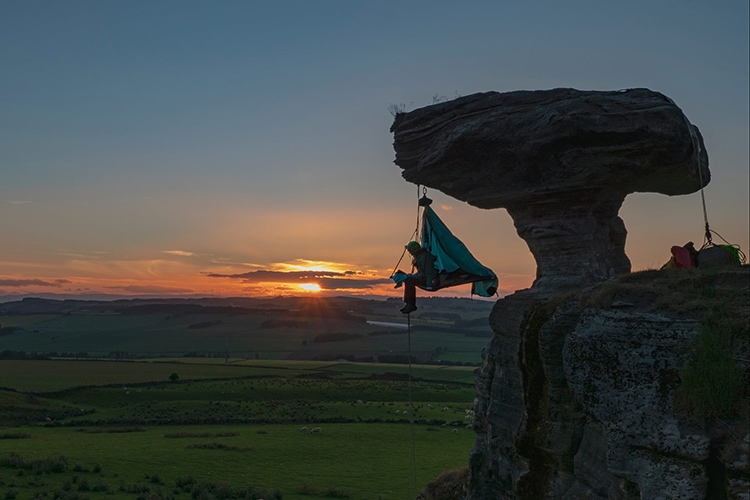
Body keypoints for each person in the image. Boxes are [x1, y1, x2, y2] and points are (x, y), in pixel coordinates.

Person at [399, 241, 438, 314]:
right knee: (408, 280)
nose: (410, 253)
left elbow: (429, 272)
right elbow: (421, 272)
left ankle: (411, 305)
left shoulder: (424, 258)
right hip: (424, 278)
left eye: (410, 251)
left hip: (429, 280)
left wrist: (429, 285)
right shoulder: (420, 256)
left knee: (410, 281)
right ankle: (408, 303)